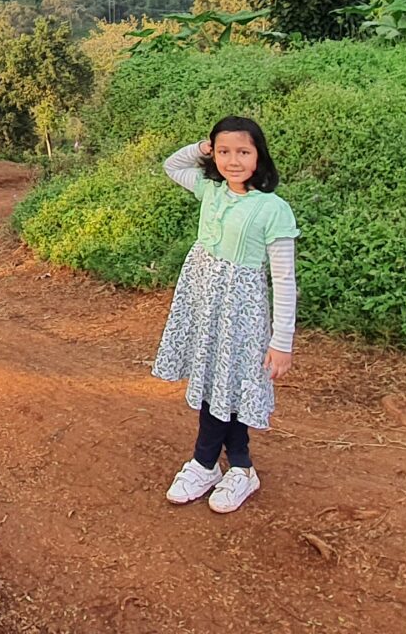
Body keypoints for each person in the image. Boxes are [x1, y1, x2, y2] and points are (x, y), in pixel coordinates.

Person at [152, 115, 297, 514]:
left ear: (259, 156)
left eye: (243, 152)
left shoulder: (272, 209)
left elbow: (285, 280)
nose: (233, 160)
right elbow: (171, 165)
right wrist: (202, 146)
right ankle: (239, 468)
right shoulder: (211, 192)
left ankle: (205, 462)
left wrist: (281, 341)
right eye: (224, 152)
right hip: (203, 307)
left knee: (229, 385)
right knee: (214, 382)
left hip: (241, 317)